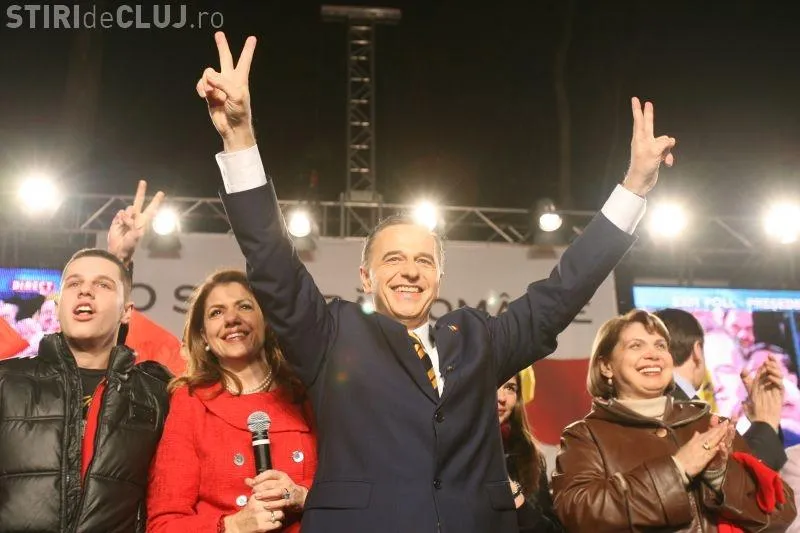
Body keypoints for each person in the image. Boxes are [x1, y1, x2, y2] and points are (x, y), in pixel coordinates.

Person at [198, 31, 673, 532]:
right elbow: (271, 259)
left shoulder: (478, 339)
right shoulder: (331, 335)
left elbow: (563, 291)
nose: (410, 271)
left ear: (439, 277)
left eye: (423, 261)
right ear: (365, 276)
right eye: (394, 259)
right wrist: (239, 137)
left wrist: (634, 188)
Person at [0, 182, 173, 532]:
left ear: (127, 312)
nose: (85, 291)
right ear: (57, 304)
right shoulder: (6, 381)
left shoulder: (155, 394)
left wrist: (121, 260)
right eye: (74, 284)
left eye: (102, 285)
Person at [551, 310, 797, 532]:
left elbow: (781, 511)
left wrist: (722, 476)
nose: (653, 355)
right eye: (636, 346)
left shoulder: (711, 424)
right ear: (606, 366)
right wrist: (677, 470)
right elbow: (577, 513)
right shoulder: (585, 435)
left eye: (660, 346)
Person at [146, 269, 318, 533]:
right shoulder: (190, 401)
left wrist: (300, 495)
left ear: (266, 320)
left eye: (244, 306)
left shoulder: (306, 392)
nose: (231, 319)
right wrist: (233, 525)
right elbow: (163, 525)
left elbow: (349, 490)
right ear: (203, 336)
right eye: (216, 312)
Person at [655, 308, 788, 470]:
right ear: (697, 351)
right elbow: (740, 477)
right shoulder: (685, 413)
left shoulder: (658, 403)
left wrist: (760, 426)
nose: (715, 384)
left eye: (725, 370)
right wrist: (766, 422)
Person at [497, 372, 563, 533]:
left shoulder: (529, 455)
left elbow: (549, 529)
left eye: (510, 388)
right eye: (493, 387)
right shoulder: (452, 450)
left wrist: (516, 497)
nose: (502, 398)